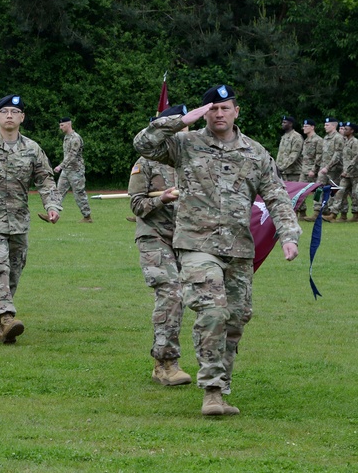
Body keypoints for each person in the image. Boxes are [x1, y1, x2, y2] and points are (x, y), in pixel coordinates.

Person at [134, 84, 300, 416]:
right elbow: (143, 143)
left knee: (236, 319)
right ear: (204, 113)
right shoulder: (185, 144)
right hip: (197, 246)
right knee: (213, 311)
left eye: (225, 108)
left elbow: (277, 197)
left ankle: (222, 389)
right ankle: (210, 391)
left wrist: (289, 235)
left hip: (238, 250)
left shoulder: (255, 153)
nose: (219, 114)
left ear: (236, 111)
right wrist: (179, 122)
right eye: (213, 108)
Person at [0, 95, 61, 343]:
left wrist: (52, 205)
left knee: (13, 274)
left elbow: (46, 179)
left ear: (22, 118)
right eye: (4, 111)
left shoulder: (32, 149)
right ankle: (7, 316)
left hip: (19, 222)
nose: (9, 115)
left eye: (15, 111)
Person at [128, 105, 192, 385]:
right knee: (172, 293)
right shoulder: (147, 161)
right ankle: (166, 363)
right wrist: (162, 199)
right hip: (154, 237)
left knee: (192, 299)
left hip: (188, 238)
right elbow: (136, 205)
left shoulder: (194, 158)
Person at [55, 117, 92, 222]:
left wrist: (60, 166)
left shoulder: (75, 138)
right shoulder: (66, 137)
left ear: (68, 124)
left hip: (76, 171)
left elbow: (72, 155)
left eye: (62, 125)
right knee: (59, 192)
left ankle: (87, 216)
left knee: (79, 193)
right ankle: (53, 214)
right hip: (67, 170)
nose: (60, 127)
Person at [329, 121, 357, 222]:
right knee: (340, 192)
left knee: (355, 194)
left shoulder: (355, 142)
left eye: (346, 129)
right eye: (344, 129)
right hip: (345, 173)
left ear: (352, 131)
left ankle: (355, 215)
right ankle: (335, 214)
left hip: (354, 174)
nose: (344, 130)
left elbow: (355, 158)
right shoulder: (344, 141)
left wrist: (347, 170)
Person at [317, 117, 345, 221]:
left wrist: (328, 167)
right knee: (319, 188)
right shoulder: (326, 137)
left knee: (333, 191)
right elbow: (323, 154)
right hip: (324, 169)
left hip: (334, 170)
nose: (325, 126)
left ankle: (332, 213)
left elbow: (337, 155)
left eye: (327, 125)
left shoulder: (338, 138)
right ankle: (319, 210)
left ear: (334, 126)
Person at [298, 119, 323, 221]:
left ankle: (317, 212)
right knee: (300, 190)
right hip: (304, 170)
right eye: (303, 126)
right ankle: (302, 212)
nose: (304, 128)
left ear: (312, 127)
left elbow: (319, 156)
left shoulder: (318, 140)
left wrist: (314, 169)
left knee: (317, 191)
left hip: (313, 171)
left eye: (306, 126)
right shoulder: (306, 140)